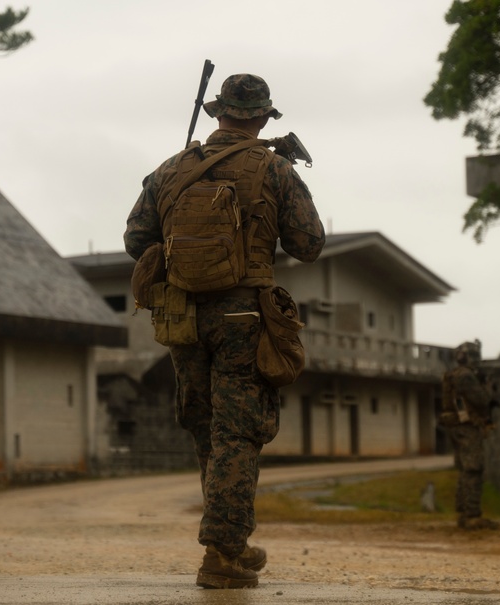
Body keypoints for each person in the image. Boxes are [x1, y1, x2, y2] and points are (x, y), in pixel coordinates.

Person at [124, 73, 325, 589]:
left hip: (182, 314)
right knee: (237, 430)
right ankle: (222, 551)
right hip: (242, 314)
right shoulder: (273, 167)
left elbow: (135, 238)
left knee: (206, 425)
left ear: (217, 113)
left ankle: (227, 541)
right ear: (261, 117)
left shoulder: (172, 168)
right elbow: (308, 243)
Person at [440, 340, 499, 530]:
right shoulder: (465, 376)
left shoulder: (454, 374)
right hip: (467, 426)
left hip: (458, 426)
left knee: (466, 470)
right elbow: (482, 400)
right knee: (474, 468)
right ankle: (472, 515)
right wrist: (489, 387)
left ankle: (464, 513)